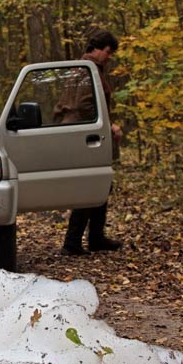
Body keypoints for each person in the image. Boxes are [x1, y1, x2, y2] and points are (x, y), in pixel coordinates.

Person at [60, 29, 123, 256]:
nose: (109, 57)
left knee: (100, 184)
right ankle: (73, 242)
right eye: (107, 51)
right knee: (89, 185)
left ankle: (95, 237)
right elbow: (85, 105)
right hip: (84, 134)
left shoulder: (83, 68)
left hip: (82, 132)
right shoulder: (87, 70)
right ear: (96, 48)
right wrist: (108, 125)